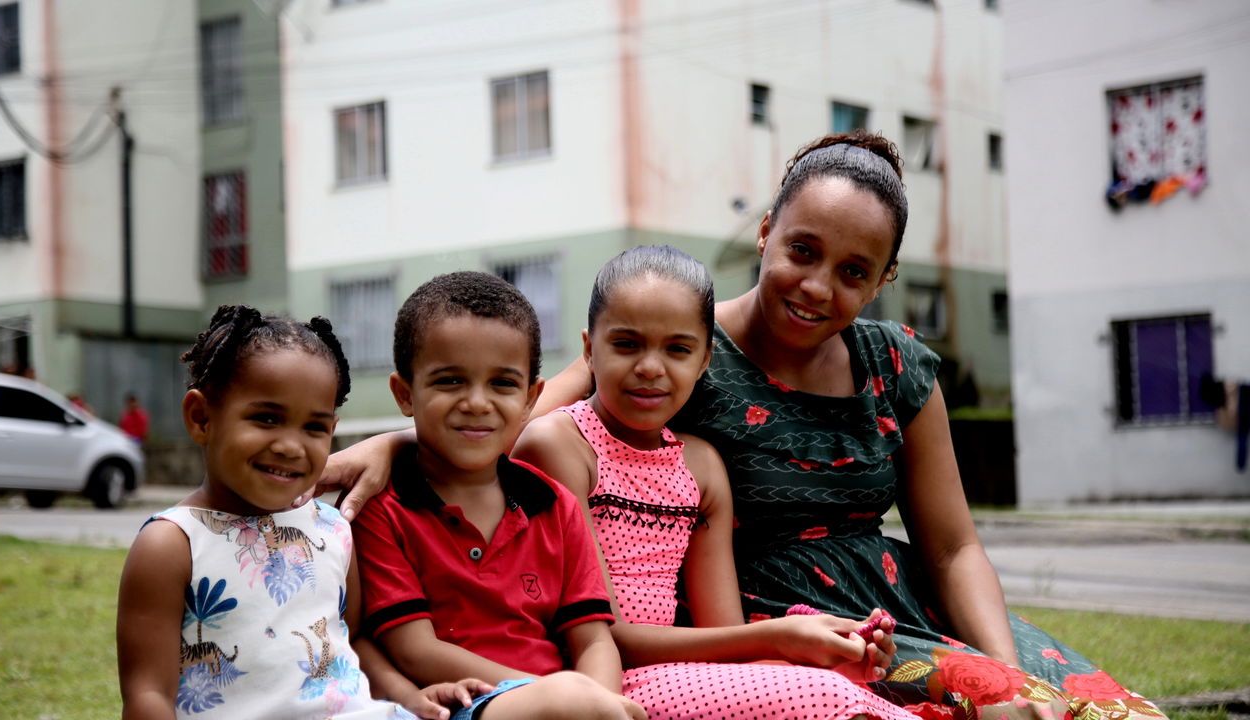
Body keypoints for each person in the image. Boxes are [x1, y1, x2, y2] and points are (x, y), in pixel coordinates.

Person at [319, 132, 1168, 720]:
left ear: (883, 280)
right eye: (802, 250)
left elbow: (952, 548)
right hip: (763, 613)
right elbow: (502, 425)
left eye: (853, 271)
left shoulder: (898, 366)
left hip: (899, 598)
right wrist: (394, 442)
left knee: (1098, 708)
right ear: (765, 234)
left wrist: (1004, 660)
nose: (816, 284)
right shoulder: (678, 344)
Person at [512, 245, 921, 720]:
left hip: (677, 673)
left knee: (841, 686)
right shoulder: (561, 446)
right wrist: (774, 639)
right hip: (592, 682)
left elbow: (721, 632)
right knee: (829, 699)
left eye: (678, 349)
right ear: (589, 349)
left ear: (705, 359)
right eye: (626, 344)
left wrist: (820, 649)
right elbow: (599, 635)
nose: (650, 367)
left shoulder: (700, 467)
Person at [116, 305, 489, 720]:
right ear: (201, 418)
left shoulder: (332, 528)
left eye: (313, 427)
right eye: (267, 418)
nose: (291, 446)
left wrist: (410, 697)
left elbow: (351, 638)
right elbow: (148, 693)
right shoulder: (172, 544)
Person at [351, 272, 647, 720]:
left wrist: (600, 701)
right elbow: (414, 651)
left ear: (531, 397)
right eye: (449, 381)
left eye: (503, 384)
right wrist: (557, 695)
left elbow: (593, 640)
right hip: (459, 705)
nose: (476, 402)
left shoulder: (554, 503)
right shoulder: (383, 507)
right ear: (404, 393)